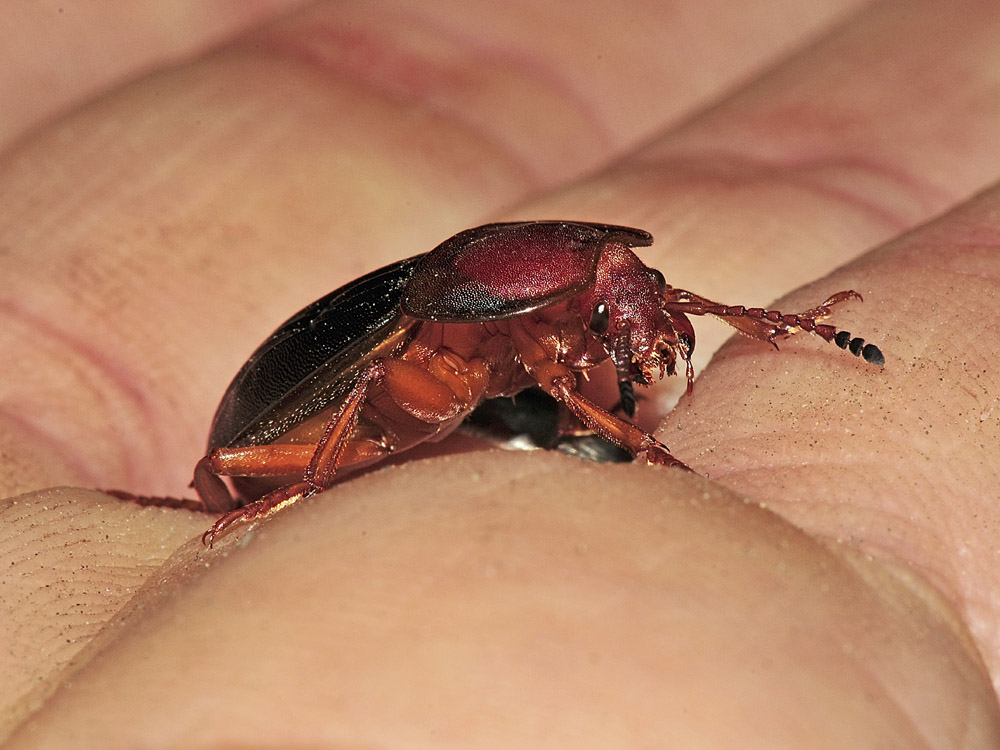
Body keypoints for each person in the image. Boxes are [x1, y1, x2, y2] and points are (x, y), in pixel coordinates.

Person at [3, 0, 1000, 745]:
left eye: (630, 290)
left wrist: (771, 324)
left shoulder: (532, 310)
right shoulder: (449, 341)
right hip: (289, 430)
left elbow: (623, 318)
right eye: (615, 298)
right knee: (367, 411)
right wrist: (275, 498)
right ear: (529, 295)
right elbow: (548, 387)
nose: (641, 318)